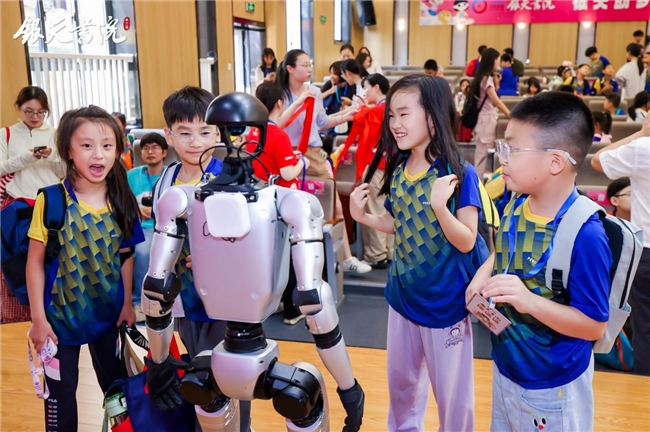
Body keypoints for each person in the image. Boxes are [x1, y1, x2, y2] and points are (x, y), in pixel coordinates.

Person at [468, 91, 612, 431]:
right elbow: (502, 251)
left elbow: (594, 326)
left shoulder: (586, 234)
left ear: (555, 162)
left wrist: (528, 301)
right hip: (506, 368)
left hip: (553, 387)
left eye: (513, 149)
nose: (501, 158)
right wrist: (480, 278)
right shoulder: (516, 203)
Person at [350, 74, 481, 432]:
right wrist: (364, 217)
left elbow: (467, 240)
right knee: (402, 389)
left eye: (404, 114)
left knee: (452, 397)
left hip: (444, 304)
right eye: (391, 115)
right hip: (402, 298)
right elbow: (401, 223)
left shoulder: (458, 173)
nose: (395, 123)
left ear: (433, 117)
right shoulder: (400, 169)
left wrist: (441, 207)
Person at [26, 106, 144, 432]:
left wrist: (127, 305)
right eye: (87, 145)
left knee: (118, 394)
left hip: (107, 318)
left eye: (107, 145)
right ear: (68, 150)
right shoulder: (51, 201)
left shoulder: (122, 200)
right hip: (58, 322)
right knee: (60, 400)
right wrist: (38, 320)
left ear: (118, 150)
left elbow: (126, 256)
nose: (98, 154)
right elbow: (34, 263)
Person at [156, 86, 251, 430]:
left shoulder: (230, 175)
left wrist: (216, 256)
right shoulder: (166, 177)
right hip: (185, 298)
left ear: (218, 133)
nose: (195, 142)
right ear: (169, 134)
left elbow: (251, 240)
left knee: (229, 377)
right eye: (184, 132)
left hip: (227, 300)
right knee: (198, 373)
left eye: (205, 132)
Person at [275, 49, 370, 274]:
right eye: (304, 65)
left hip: (314, 155)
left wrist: (345, 116)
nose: (309, 69)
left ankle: (346, 257)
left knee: (334, 204)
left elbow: (321, 122)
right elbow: (276, 125)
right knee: (290, 210)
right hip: (287, 156)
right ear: (290, 68)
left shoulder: (315, 92)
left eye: (310, 65)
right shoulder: (279, 94)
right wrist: (298, 102)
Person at [592, 112, 650, 376]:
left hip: (647, 251)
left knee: (644, 328)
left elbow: (597, 160)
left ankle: (643, 391)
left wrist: (641, 133)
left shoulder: (643, 148)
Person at [127, 132, 168, 323]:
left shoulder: (171, 174)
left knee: (143, 252)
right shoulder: (132, 175)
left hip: (163, 226)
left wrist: (156, 211)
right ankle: (133, 301)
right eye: (145, 148)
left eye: (155, 147)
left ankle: (139, 300)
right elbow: (123, 201)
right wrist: (137, 210)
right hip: (137, 225)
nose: (150, 151)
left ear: (164, 152)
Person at [0, 86, 65, 203]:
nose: (35, 116)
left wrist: (52, 155)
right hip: (17, 199)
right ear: (19, 107)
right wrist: (24, 158)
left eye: (41, 111)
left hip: (50, 199)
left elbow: (63, 173)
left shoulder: (56, 134)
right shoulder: (5, 134)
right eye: (29, 111)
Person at [469, 47, 511, 179]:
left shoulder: (483, 77)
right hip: (485, 120)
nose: (498, 62)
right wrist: (511, 115)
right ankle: (477, 185)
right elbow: (496, 102)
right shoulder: (486, 78)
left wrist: (496, 83)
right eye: (497, 59)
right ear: (492, 60)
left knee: (482, 156)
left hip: (485, 119)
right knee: (481, 156)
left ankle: (479, 182)